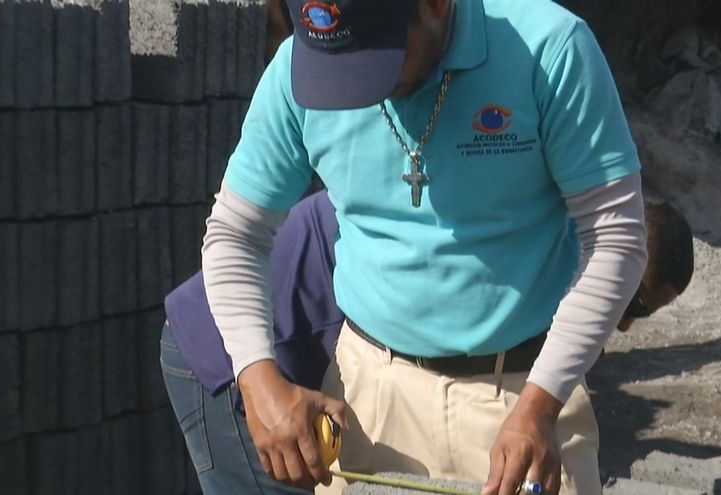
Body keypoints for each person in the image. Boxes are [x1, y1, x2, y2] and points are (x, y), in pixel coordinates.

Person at [200, 0, 650, 494]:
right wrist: (255, 376)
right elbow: (235, 234)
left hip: (521, 397)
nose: (356, 90)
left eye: (376, 57)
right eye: (336, 64)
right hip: (368, 397)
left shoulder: (549, 49)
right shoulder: (298, 72)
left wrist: (541, 402)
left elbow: (616, 238)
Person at [162, 192, 694, 494]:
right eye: (636, 303)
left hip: (292, 349)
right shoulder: (516, 247)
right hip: (223, 349)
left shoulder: (535, 242)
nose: (626, 326)